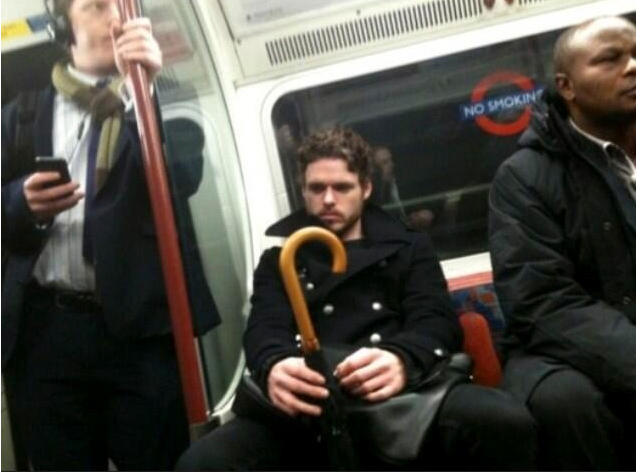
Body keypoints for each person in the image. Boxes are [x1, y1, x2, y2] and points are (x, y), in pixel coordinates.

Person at [177, 127, 536, 471]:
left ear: (365, 188)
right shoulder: (280, 261)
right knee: (202, 463)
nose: (328, 199)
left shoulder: (408, 247)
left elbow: (436, 320)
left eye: (342, 187)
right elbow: (264, 328)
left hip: (398, 395)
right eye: (316, 188)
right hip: (313, 400)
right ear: (303, 191)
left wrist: (401, 358)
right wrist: (274, 363)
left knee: (503, 421)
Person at [1, 0, 219, 469]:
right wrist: (19, 203)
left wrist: (143, 95)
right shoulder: (18, 118)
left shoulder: (169, 100)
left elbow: (183, 179)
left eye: (124, 4)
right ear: (63, 26)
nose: (117, 17)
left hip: (140, 328)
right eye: (97, 5)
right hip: (46, 331)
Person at [489, 16, 635, 471]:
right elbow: (542, 301)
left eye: (636, 55)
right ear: (567, 87)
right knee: (566, 402)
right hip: (562, 345)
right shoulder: (523, 177)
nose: (632, 66)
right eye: (610, 59)